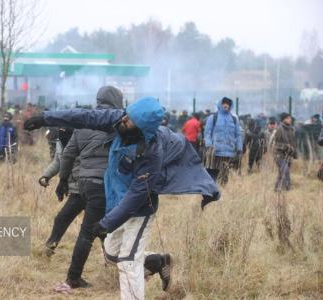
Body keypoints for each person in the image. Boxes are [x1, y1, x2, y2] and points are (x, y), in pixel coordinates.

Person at [24, 97, 220, 299]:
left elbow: (137, 194)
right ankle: (156, 261)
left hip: (140, 209)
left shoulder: (152, 152)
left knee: (128, 261)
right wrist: (45, 118)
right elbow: (83, 116)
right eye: (126, 115)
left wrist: (107, 223)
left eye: (129, 120)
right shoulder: (118, 119)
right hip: (116, 201)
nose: (123, 120)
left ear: (142, 127)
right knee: (111, 253)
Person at [54, 86, 123, 290]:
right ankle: (73, 278)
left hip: (84, 184)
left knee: (104, 227)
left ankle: (114, 267)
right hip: (105, 185)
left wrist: (63, 180)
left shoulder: (84, 124)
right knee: (90, 232)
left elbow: (67, 155)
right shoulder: (117, 122)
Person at [38, 127, 82, 257]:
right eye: (60, 126)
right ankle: (49, 248)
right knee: (61, 219)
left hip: (86, 187)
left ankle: (110, 257)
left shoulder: (82, 138)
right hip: (74, 188)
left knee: (97, 226)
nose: (62, 129)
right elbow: (58, 161)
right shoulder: (60, 141)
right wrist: (46, 176)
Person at [204, 97, 242, 185]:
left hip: (229, 152)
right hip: (215, 152)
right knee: (214, 173)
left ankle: (223, 192)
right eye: (224, 103)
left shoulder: (234, 119)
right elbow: (207, 133)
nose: (226, 105)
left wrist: (239, 148)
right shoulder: (213, 117)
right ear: (220, 104)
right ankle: (213, 191)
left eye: (228, 104)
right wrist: (209, 145)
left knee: (225, 174)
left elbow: (238, 135)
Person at [274, 113, 297, 192]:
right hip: (279, 155)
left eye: (290, 118)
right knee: (285, 170)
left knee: (282, 173)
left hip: (288, 155)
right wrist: (285, 147)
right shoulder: (279, 129)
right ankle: (288, 189)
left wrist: (295, 153)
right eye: (288, 118)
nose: (290, 119)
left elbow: (293, 142)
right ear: (283, 119)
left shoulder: (291, 129)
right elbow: (275, 144)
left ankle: (277, 189)